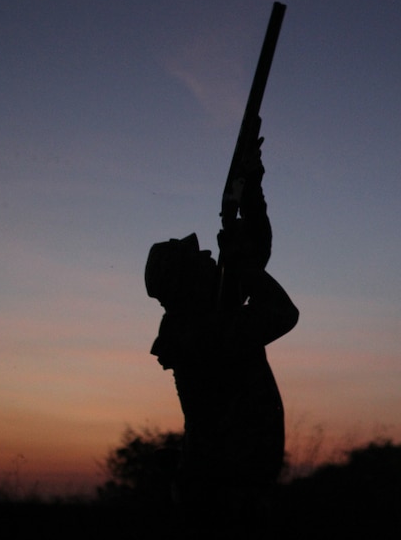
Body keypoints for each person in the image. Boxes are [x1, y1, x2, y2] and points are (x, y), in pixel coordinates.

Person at [144, 145, 298, 526]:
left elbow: (256, 252)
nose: (210, 255)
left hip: (230, 494)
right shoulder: (200, 335)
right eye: (199, 259)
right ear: (186, 283)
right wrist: (243, 263)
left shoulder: (206, 315)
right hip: (219, 504)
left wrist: (252, 193)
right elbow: (281, 313)